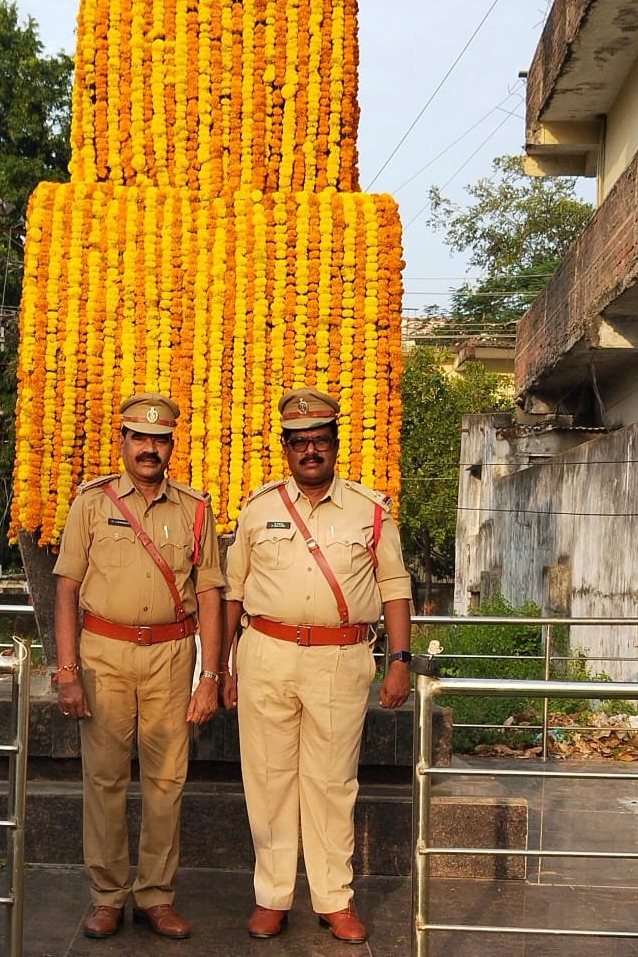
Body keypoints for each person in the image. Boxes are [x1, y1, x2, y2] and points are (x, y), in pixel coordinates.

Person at [221, 386, 412, 944]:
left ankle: (334, 898)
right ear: (286, 449)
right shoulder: (259, 509)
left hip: (340, 657)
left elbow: (395, 586)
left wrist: (398, 661)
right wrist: (222, 667)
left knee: (332, 783)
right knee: (268, 780)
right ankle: (272, 896)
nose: (310, 451)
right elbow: (234, 591)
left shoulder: (370, 510)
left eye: (319, 441)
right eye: (299, 443)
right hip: (266, 654)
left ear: (334, 445)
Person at [53, 392, 225, 941]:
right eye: (140, 438)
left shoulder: (196, 509)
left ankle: (155, 894)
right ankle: (106, 896)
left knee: (167, 781)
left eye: (161, 439)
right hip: (103, 654)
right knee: (103, 778)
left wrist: (210, 676)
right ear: (123, 442)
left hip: (173, 657)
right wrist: (66, 670)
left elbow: (212, 595)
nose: (150, 449)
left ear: (173, 444)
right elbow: (67, 590)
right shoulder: (91, 503)